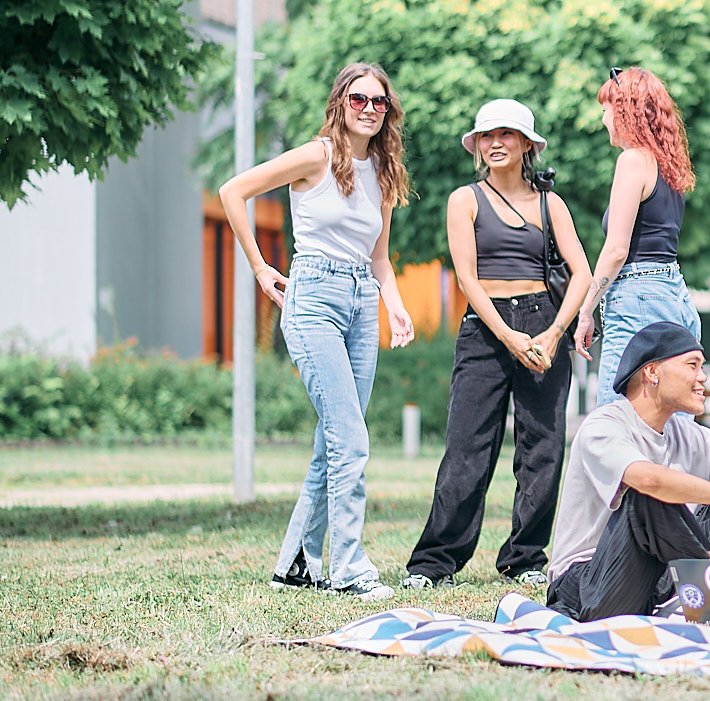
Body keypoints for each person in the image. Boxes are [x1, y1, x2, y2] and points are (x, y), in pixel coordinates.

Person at [219, 63, 416, 601]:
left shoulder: (383, 168)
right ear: (341, 102)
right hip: (314, 300)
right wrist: (260, 267)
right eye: (360, 99)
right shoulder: (316, 155)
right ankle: (349, 569)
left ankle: (295, 565)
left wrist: (395, 307)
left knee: (332, 443)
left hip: (361, 303)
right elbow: (233, 191)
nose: (370, 108)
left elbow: (379, 255)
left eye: (379, 101)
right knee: (350, 440)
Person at [400, 99, 594, 590]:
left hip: (544, 323)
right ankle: (434, 562)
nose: (496, 144)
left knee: (543, 446)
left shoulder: (551, 203)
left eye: (507, 135)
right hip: (486, 329)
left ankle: (526, 558)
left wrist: (553, 334)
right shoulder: (464, 200)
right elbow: (467, 278)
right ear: (477, 146)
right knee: (467, 446)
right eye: (487, 136)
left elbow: (583, 273)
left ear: (527, 144)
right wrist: (508, 336)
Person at [545, 322, 710, 622]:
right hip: (587, 585)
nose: (703, 378)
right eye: (692, 365)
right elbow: (649, 480)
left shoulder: (690, 435)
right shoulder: (604, 425)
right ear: (652, 372)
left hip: (654, 582)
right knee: (649, 494)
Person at [573, 67, 701, 409]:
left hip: (638, 298)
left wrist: (586, 311)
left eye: (606, 109)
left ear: (625, 112)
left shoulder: (632, 161)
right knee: (670, 423)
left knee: (615, 420)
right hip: (674, 294)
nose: (603, 119)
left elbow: (616, 249)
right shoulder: (668, 167)